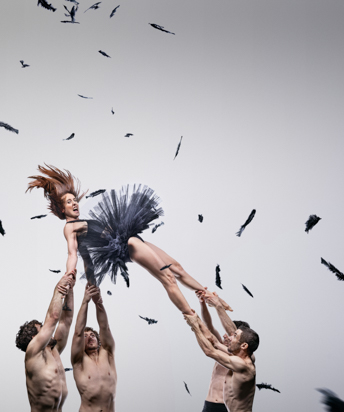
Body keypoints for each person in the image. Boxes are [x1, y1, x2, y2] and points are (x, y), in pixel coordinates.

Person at [27, 164, 226, 315]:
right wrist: (70, 273)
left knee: (176, 267)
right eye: (69, 202)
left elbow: (87, 260)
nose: (75, 203)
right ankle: (193, 319)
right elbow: (72, 253)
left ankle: (211, 296)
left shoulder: (82, 227)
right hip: (126, 244)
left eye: (75, 200)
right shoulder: (69, 228)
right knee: (168, 278)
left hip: (129, 236)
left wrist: (93, 285)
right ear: (62, 209)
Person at [185, 290, 259, 412]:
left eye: (234, 336)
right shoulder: (221, 346)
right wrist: (202, 304)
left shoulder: (244, 359)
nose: (228, 336)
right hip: (209, 404)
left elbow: (210, 350)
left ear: (243, 344)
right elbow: (208, 326)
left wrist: (218, 306)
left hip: (225, 406)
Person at [15, 271, 76, 412]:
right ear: (33, 339)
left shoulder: (53, 351)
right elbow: (54, 317)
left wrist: (70, 289)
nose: (46, 330)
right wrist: (58, 289)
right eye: (41, 329)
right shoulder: (33, 352)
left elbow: (66, 321)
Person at [71, 283, 117, 412]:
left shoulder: (108, 354)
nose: (90, 337)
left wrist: (98, 303)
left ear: (98, 339)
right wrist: (85, 301)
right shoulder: (79, 360)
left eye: (92, 335)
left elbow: (104, 327)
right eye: (86, 336)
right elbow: (77, 332)